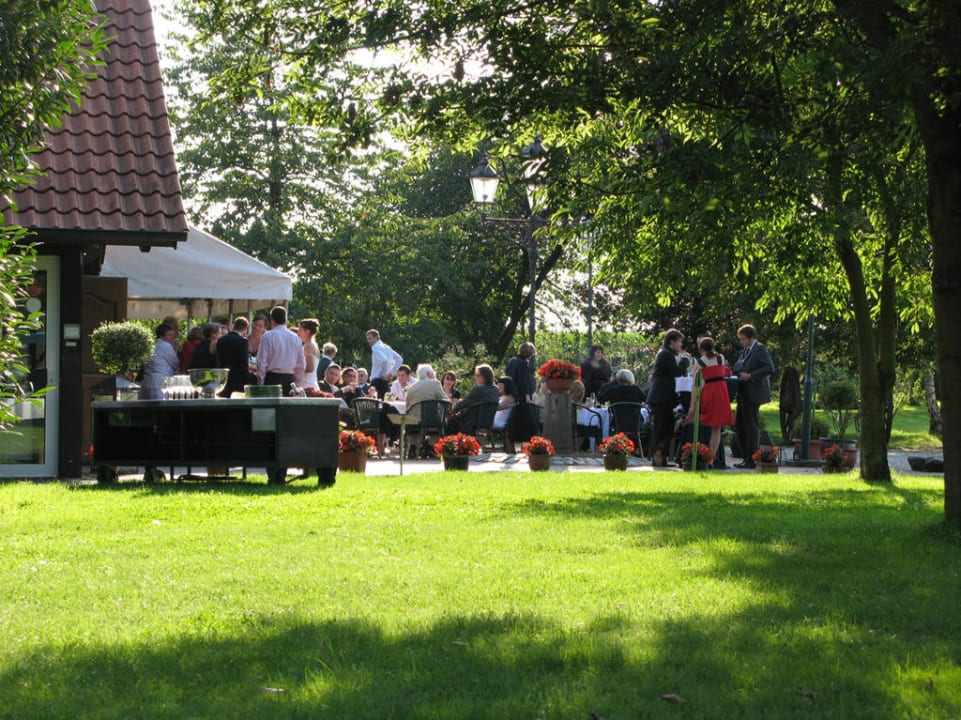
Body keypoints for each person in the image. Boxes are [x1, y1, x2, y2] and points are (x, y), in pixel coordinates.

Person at [731, 323, 775, 468]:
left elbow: (769, 367)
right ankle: (746, 457)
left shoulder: (759, 349)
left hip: (753, 392)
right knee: (739, 424)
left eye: (743, 339)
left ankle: (751, 459)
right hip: (743, 392)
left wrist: (751, 376)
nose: (741, 342)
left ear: (751, 338)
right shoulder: (746, 350)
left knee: (750, 426)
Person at [685, 336, 734, 462]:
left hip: (709, 391)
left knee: (706, 418)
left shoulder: (699, 363)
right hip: (721, 392)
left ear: (701, 349)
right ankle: (710, 458)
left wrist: (692, 405)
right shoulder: (721, 358)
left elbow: (695, 385)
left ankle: (690, 420)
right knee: (716, 427)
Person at [647, 328, 690, 467]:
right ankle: (658, 456)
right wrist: (684, 362)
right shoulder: (665, 354)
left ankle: (661, 456)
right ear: (671, 341)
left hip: (664, 397)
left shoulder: (667, 354)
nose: (680, 345)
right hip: (661, 397)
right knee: (662, 427)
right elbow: (677, 372)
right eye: (678, 342)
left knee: (667, 427)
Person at [256, 305, 305, 388]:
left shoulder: (267, 336)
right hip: (289, 379)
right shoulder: (296, 339)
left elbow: (261, 362)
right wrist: (296, 383)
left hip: (272, 378)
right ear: (285, 319)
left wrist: (261, 381)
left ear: (272, 320)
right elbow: (301, 365)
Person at [447, 364, 500, 435]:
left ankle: (447, 445)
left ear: (484, 376)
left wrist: (451, 411)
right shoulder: (495, 390)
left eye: (477, 375)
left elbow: (462, 405)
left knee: (449, 422)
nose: (476, 378)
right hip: (487, 423)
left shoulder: (478, 390)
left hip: (471, 423)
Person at [505, 341, 539, 443]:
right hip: (521, 396)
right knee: (530, 423)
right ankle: (530, 443)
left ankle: (511, 442)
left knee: (514, 421)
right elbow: (523, 381)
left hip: (512, 394)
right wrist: (527, 395)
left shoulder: (511, 361)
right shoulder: (523, 364)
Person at [216, 316, 255, 397]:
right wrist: (248, 380)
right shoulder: (243, 341)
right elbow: (243, 363)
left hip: (223, 379)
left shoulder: (221, 340)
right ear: (245, 329)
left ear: (234, 326)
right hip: (238, 380)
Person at [139, 323, 179, 399]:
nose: (172, 337)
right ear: (162, 336)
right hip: (160, 384)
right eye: (169, 335)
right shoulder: (166, 346)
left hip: (147, 383)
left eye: (172, 335)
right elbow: (175, 363)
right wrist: (175, 349)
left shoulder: (151, 345)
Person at [366, 329, 403, 399]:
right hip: (386, 382)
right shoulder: (387, 347)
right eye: (368, 339)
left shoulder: (375, 348)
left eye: (370, 338)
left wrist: (384, 375)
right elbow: (399, 359)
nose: (369, 341)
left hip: (377, 381)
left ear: (376, 337)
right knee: (385, 404)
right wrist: (391, 373)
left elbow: (384, 361)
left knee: (376, 405)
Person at [298, 319, 321, 389]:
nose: (298, 333)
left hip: (307, 385)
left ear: (307, 331)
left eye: (300, 330)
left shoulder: (308, 346)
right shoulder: (312, 344)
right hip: (311, 382)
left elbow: (310, 368)